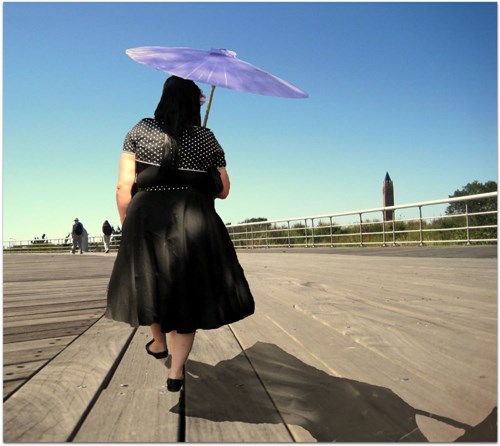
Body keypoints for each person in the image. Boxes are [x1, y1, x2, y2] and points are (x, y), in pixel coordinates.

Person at [106, 76, 255, 392]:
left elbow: (123, 186)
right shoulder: (206, 137)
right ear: (194, 103)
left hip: (146, 218)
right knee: (188, 293)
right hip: (193, 219)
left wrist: (126, 223)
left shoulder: (139, 130)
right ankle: (176, 371)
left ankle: (158, 342)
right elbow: (224, 190)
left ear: (163, 99)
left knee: (150, 283)